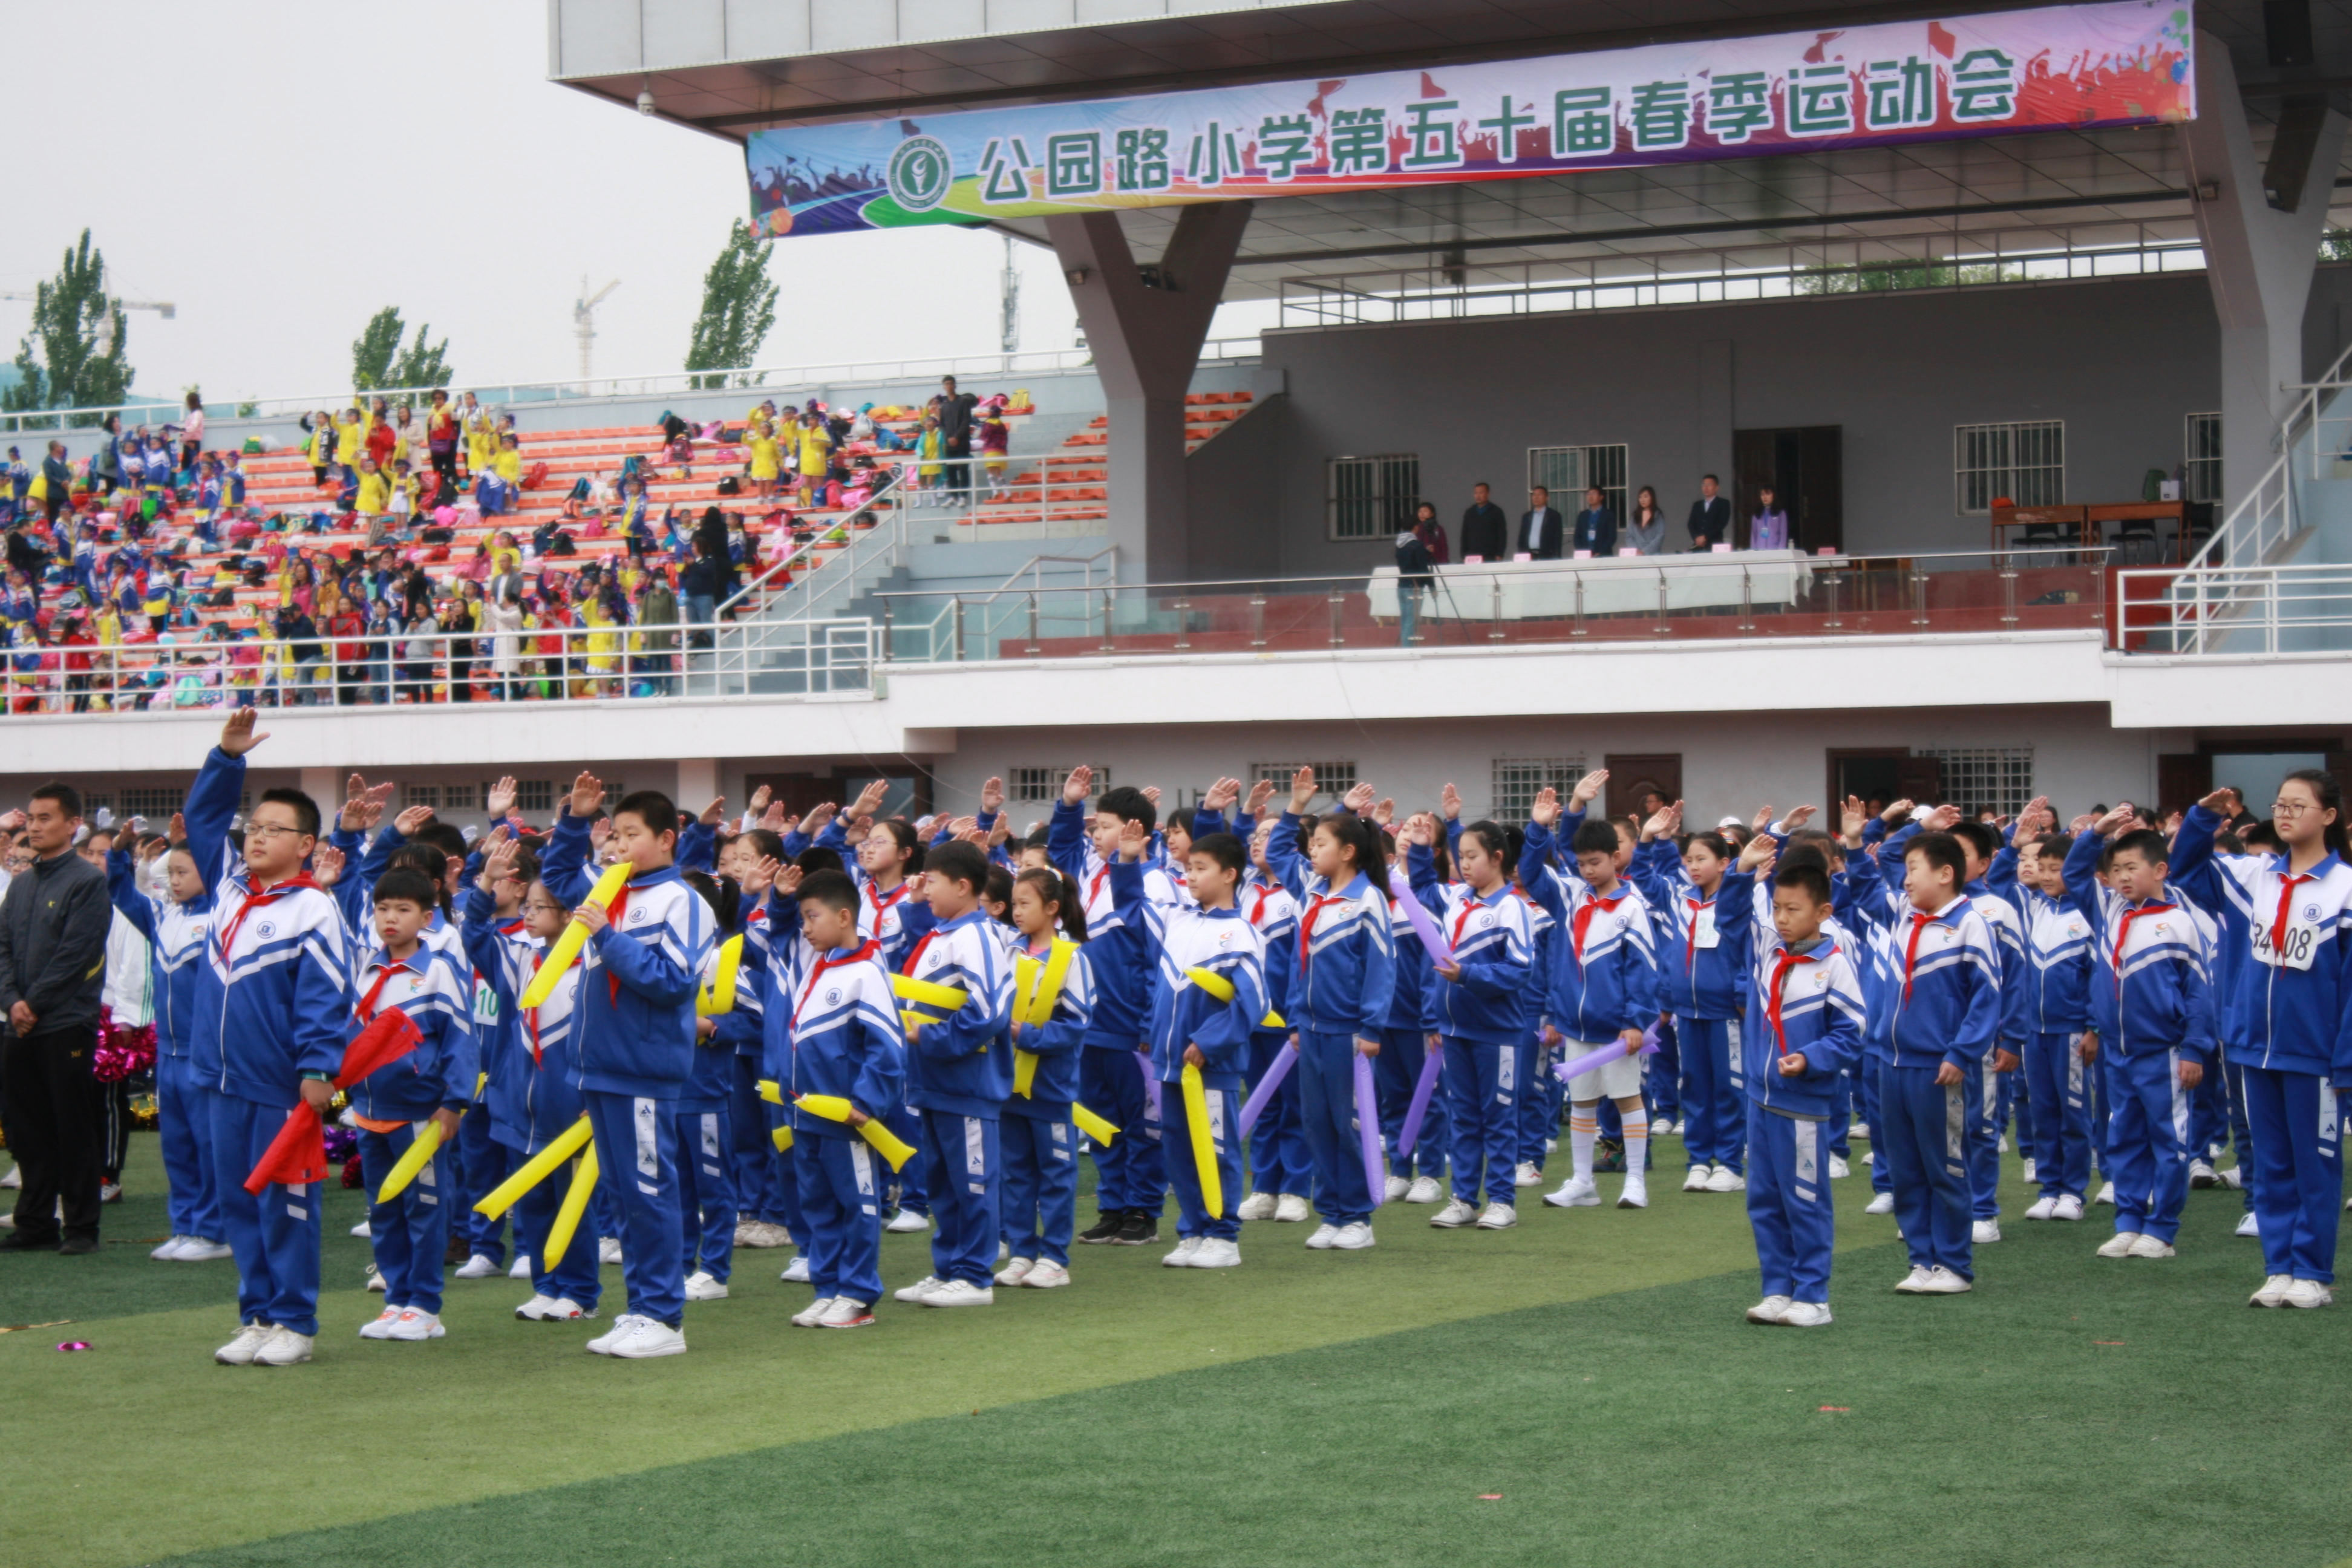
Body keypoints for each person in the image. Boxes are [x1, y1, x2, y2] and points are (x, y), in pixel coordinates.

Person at [180, 711, 354, 1365]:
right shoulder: (228, 888)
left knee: (287, 1203)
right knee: (238, 1203)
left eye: (272, 830)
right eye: (251, 827)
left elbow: (323, 997)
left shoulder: (313, 908)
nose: (255, 837)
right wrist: (227, 759)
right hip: (219, 1080)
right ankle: (257, 1313)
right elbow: (203, 820)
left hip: (280, 1083)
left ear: (306, 844)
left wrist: (317, 1067)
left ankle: (295, 1322)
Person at [539, 773, 715, 1357]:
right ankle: (640, 1307)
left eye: (631, 835)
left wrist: (608, 938)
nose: (617, 846)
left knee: (650, 1191)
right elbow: (562, 877)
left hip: (644, 1070)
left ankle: (664, 1317)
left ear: (667, 839)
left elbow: (672, 982)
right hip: (601, 1068)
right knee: (621, 1195)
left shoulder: (682, 900)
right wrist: (573, 820)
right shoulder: (613, 889)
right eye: (613, 834)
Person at [2170, 775, 2352, 1308]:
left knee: (2315, 1165)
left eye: (2299, 805)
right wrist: (2203, 818)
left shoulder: (2345, 887)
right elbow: (2183, 870)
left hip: (2314, 1053)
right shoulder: (2253, 876)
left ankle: (2313, 1273)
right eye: (2280, 804)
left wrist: (2344, 1060)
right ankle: (2279, 1268)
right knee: (2270, 1164)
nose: (2287, 812)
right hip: (2253, 1048)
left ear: (2330, 816)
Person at [2059, 811, 2213, 1261]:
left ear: (2160, 870)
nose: (2122, 878)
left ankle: (2162, 1228)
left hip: (2163, 1053)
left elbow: (2200, 995)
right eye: (2117, 870)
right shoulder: (2108, 909)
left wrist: (2194, 1049)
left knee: (2168, 1141)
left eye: (2133, 868)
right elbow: (2073, 872)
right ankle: (2128, 1220)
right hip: (2117, 1052)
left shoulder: (2181, 923)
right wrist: (2097, 835)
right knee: (2122, 1136)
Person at [1119, 818, 1264, 1269]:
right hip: (1169, 1065)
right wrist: (1126, 861)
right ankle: (1194, 1229)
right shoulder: (1175, 921)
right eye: (1189, 867)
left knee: (1216, 1148)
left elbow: (1253, 1002)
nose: (1191, 875)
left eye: (1201, 867)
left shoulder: (1242, 933)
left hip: (1211, 1066)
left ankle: (1224, 1234)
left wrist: (1208, 1042)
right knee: (1178, 1149)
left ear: (1229, 874)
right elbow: (1129, 905)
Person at [1266, 768, 1397, 1250]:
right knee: (1317, 1123)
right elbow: (1280, 852)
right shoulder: (1312, 891)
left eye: (1320, 843)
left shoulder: (1368, 899)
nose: (1311, 851)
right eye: (1312, 843)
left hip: (1350, 1033)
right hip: (1311, 1029)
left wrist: (1371, 1026)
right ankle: (1332, 1212)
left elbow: (1381, 969)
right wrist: (1297, 806)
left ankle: (1358, 1218)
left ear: (1348, 852)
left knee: (1350, 1124)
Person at [1048, 767, 1175, 1245]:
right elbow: (1058, 860)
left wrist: (1148, 1022)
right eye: (1093, 826)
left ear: (1132, 831)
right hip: (1090, 1023)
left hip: (1131, 1028)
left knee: (1142, 1122)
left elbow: (1155, 959)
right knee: (1101, 1121)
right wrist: (1068, 806)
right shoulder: (1092, 876)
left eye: (1101, 826)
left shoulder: (1155, 883)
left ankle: (1143, 1209)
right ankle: (1113, 1205)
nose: (1093, 834)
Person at [350, 868, 476, 1343]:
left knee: (424, 1209)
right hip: (369, 1112)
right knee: (383, 1208)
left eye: (403, 910)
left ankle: (425, 1305)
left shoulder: (437, 971)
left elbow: (460, 1041)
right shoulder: (366, 967)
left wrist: (454, 1103)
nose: (390, 918)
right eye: (383, 908)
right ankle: (396, 1300)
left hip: (422, 1116)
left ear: (426, 918)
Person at [1737, 857, 1864, 1327]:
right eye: (1776, 908)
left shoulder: (1834, 966)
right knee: (1765, 1200)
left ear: (1823, 912)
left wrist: (1810, 1059)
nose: (1782, 919)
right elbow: (1731, 915)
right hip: (1761, 1100)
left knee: (1805, 1200)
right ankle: (1777, 1288)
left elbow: (1852, 1032)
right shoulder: (1769, 952)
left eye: (1793, 909)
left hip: (1804, 1105)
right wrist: (1743, 871)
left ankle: (1814, 1295)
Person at [1520, 774, 1658, 1210]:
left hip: (1617, 1029)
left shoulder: (1632, 907)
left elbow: (1643, 970)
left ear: (1617, 859)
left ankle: (1635, 1181)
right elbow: (1528, 873)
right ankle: (1582, 1183)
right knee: (1581, 1102)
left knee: (1626, 1098)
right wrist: (1539, 829)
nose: (1587, 870)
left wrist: (1635, 1022)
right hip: (1575, 1025)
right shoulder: (1569, 894)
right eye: (1581, 863)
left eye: (1596, 862)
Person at [1878, 829, 2002, 1294]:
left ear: (1947, 875)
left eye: (1915, 870)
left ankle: (1954, 1264)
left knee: (1945, 1165)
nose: (1905, 880)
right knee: (1905, 1169)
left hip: (1939, 1066)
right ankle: (1922, 1261)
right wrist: (1907, 830)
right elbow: (1885, 861)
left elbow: (1986, 999)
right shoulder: (1905, 917)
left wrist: (1961, 1052)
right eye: (1906, 871)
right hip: (1892, 1063)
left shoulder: (1971, 924)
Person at [891, 840, 1014, 1307]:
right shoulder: (943, 935)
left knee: (974, 1183)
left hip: (969, 1084)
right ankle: (948, 1269)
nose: (924, 886)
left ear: (963, 887)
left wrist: (930, 1039)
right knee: (943, 1184)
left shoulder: (978, 937)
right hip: (933, 1085)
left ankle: (975, 1276)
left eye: (933, 880)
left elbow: (990, 1012)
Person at [0, 782, 115, 1255]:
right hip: (18, 1022)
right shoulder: (23, 882)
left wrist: (34, 1003)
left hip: (65, 1021)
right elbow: (3, 948)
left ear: (73, 825)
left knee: (72, 1127)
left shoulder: (87, 882)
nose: (34, 825)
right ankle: (34, 1223)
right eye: (31, 817)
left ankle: (81, 1228)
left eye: (45, 818)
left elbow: (77, 955)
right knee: (25, 1130)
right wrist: (11, 1000)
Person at [1403, 813, 1533, 1229]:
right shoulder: (1457, 896)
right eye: (1460, 857)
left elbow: (1519, 970)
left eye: (1472, 856)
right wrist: (1422, 849)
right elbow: (1422, 889)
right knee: (1464, 1117)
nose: (1464, 865)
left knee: (1498, 1117)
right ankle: (1463, 1198)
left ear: (1497, 858)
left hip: (1497, 1032)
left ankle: (1502, 1200)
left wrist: (1468, 976)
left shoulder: (1513, 907)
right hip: (1454, 1030)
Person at [995, 866, 1092, 1288]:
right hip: (1006, 1086)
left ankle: (1054, 1257)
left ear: (1052, 908)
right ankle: (1021, 1252)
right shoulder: (1008, 951)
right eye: (1013, 904)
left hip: (1050, 1086)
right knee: (1015, 1173)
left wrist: (1026, 1034)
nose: (1016, 912)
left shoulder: (1072, 958)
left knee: (1055, 1172)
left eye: (1024, 904)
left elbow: (1075, 1025)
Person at [935, 376, 978, 506]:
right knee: (950, 470)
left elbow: (966, 421)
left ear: (955, 385)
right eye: (946, 384)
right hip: (949, 443)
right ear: (944, 386)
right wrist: (949, 438)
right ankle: (953, 496)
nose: (949, 386)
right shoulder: (944, 405)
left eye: (951, 384)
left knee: (963, 469)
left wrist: (957, 437)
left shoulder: (963, 401)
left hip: (963, 441)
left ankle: (963, 496)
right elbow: (942, 424)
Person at [1459, 482, 1508, 561]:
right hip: (1472, 556)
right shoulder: (1470, 512)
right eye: (1476, 493)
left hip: (1490, 555)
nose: (1478, 496)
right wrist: (1463, 554)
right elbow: (1464, 535)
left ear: (1488, 494)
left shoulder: (1496, 511)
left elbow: (1502, 534)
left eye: (1481, 493)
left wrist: (1500, 553)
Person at [1516, 485, 1564, 560]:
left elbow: (1557, 539)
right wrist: (1522, 553)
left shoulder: (1554, 516)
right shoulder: (1527, 516)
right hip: (1529, 556)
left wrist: (1556, 557)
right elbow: (1522, 538)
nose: (1536, 497)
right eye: (1534, 495)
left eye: (1540, 495)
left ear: (1547, 498)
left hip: (1547, 555)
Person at [1687, 474, 1730, 550]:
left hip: (1715, 544)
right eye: (1704, 485)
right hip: (1698, 546)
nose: (1706, 488)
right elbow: (1691, 524)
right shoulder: (1697, 505)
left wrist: (1706, 537)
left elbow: (1721, 524)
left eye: (1709, 485)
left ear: (1717, 488)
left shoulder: (1723, 503)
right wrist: (1696, 538)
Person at [1572, 485, 1617, 557]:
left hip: (1603, 555)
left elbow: (1612, 537)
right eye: (1589, 494)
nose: (1591, 496)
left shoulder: (1608, 514)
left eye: (1594, 494)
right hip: (1585, 555)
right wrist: (1583, 551)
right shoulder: (1583, 515)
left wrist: (1601, 552)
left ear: (1601, 497)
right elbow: (1577, 536)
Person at [1624, 486, 1667, 555]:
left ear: (1652, 498)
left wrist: (1645, 551)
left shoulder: (1658, 515)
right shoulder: (1634, 516)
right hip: (1636, 555)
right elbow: (1629, 536)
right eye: (1640, 497)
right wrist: (1636, 551)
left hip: (1654, 554)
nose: (1642, 500)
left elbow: (1660, 535)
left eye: (1646, 497)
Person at [1749, 485, 1791, 550]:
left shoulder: (1780, 513)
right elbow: (1754, 535)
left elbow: (1783, 535)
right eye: (1762, 495)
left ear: (1773, 495)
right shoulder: (1757, 514)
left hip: (1775, 550)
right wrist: (1753, 551)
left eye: (1768, 494)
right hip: (1759, 551)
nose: (1765, 497)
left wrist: (1781, 551)